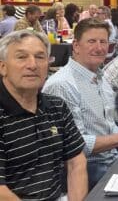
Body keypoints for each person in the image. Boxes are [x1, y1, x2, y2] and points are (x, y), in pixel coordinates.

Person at [43, 18, 118, 189]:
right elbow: (76, 146)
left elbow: (109, 124)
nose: (99, 48)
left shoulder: (99, 77)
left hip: (112, 157)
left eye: (103, 42)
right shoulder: (62, 85)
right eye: (92, 41)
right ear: (76, 46)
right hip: (89, 169)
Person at [0, 30, 87, 200]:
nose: (32, 65)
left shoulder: (57, 106)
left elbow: (77, 161)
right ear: (3, 67)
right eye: (21, 57)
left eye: (40, 57)